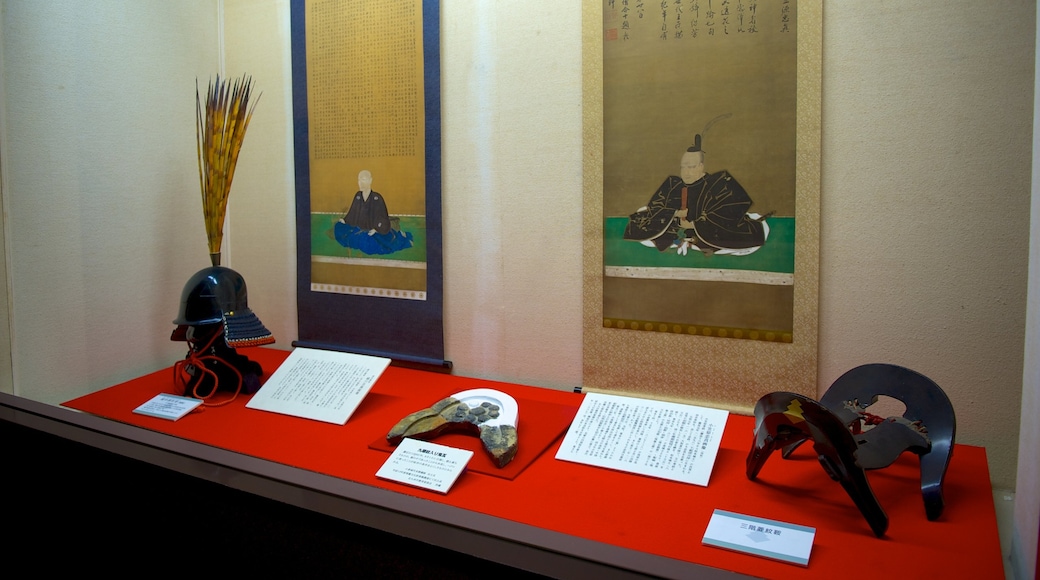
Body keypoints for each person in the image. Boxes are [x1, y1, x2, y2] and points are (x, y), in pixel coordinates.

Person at [623, 135, 770, 256]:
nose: (686, 172)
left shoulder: (719, 182)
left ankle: (693, 241)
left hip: (711, 230)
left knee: (741, 233)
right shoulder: (673, 183)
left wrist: (695, 223)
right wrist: (675, 213)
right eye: (683, 167)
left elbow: (733, 208)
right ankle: (682, 241)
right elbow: (655, 207)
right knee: (641, 221)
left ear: (700, 166)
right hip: (678, 227)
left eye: (691, 167)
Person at [333, 170, 414, 255]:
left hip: (374, 229)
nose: (360, 183)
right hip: (360, 228)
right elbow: (353, 213)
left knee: (370, 246)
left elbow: (383, 218)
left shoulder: (377, 198)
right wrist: (345, 220)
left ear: (370, 180)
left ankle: (401, 237)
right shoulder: (358, 195)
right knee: (339, 228)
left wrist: (376, 229)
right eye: (359, 180)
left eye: (363, 179)